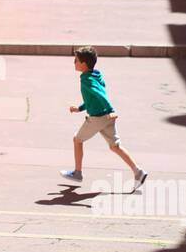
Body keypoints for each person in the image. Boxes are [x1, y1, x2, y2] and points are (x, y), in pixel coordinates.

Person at [60, 46, 147, 192]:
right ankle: (138, 172)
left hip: (98, 118)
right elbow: (92, 98)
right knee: (115, 146)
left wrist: (111, 109)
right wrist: (80, 108)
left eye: (76, 60)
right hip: (106, 116)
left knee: (77, 140)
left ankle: (77, 173)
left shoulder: (87, 80)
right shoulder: (95, 74)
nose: (74, 62)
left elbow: (100, 94)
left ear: (83, 64)